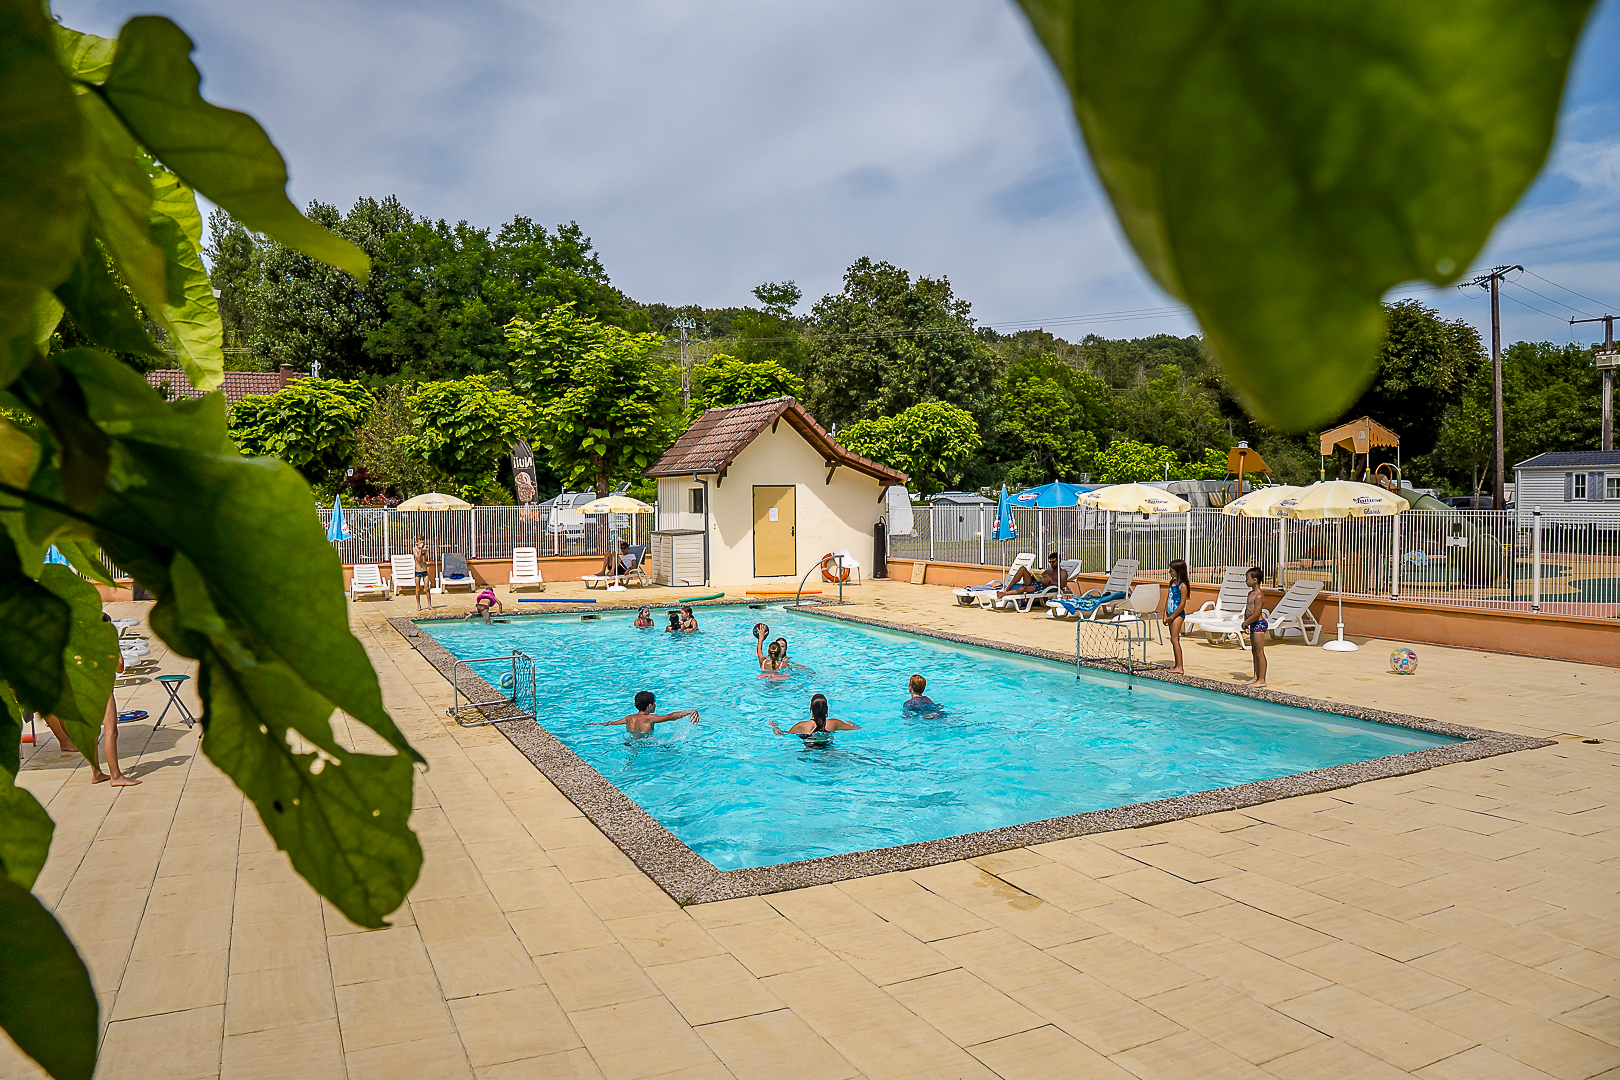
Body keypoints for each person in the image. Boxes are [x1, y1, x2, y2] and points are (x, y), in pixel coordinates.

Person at [591, 691, 699, 735]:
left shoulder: (628, 718)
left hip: (629, 743)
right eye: (654, 703)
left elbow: (610, 724)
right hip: (646, 745)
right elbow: (670, 717)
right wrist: (689, 711)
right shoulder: (649, 718)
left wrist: (596, 724)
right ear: (650, 706)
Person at [771, 693, 860, 739]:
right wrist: (853, 724)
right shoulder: (834, 723)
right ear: (827, 708)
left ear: (810, 708)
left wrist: (775, 727)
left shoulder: (802, 726)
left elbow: (782, 734)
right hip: (828, 750)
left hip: (810, 752)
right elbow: (857, 729)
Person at [997, 552, 1069, 599]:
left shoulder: (1062, 572)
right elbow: (1042, 576)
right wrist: (1036, 576)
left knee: (1023, 589)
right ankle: (1007, 588)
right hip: (1037, 582)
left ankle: (1004, 593)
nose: (1051, 564)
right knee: (1022, 569)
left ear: (1059, 561)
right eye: (1050, 562)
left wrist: (1049, 582)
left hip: (1043, 587)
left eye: (1053, 562)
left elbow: (1063, 584)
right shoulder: (1049, 569)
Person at [1241, 566, 1268, 688]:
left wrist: (1246, 623)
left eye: (1248, 579)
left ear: (1255, 580)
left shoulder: (1259, 595)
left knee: (1259, 652)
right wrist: (1245, 621)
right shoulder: (1250, 593)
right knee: (1254, 652)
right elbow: (1248, 609)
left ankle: (1262, 679)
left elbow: (1256, 614)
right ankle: (1256, 677)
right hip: (1252, 624)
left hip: (1259, 625)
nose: (1246, 581)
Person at [1165, 558, 1191, 674]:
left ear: (1178, 571)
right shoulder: (1172, 582)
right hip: (1170, 614)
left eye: (1172, 570)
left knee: (1174, 639)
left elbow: (1182, 605)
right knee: (1173, 639)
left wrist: (1172, 617)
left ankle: (1180, 667)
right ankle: (1176, 664)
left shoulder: (1182, 586)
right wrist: (1165, 614)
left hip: (1177, 615)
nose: (1170, 572)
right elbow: (1168, 598)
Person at [412, 535, 433, 611]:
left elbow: (424, 561)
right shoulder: (414, 549)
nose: (421, 543)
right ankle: (418, 605)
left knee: (427, 588)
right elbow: (418, 559)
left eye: (422, 541)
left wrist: (423, 551)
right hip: (417, 571)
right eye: (420, 541)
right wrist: (420, 550)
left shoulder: (426, 549)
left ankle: (429, 605)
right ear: (417, 542)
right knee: (418, 589)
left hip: (424, 570)